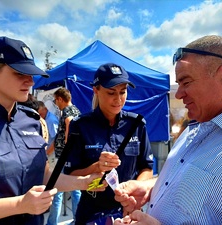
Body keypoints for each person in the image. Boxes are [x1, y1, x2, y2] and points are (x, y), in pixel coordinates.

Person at [113, 35, 222, 225]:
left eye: (186, 82)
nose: (179, 94)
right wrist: (150, 188)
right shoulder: (197, 127)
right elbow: (192, 182)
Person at [0, 36, 105, 225]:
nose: (30, 82)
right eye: (20, 73)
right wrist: (20, 204)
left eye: (31, 74)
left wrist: (84, 183)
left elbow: (43, 176)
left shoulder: (32, 121)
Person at [64, 63, 154, 225]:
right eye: (111, 92)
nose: (118, 99)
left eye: (123, 92)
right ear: (96, 90)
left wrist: (132, 196)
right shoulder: (80, 126)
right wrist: (96, 167)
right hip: (91, 212)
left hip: (129, 212)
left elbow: (146, 167)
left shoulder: (136, 124)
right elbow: (70, 175)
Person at [46, 87, 82, 225]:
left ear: (61, 99)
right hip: (72, 158)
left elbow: (69, 122)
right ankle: (78, 220)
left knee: (58, 190)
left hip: (64, 158)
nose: (56, 103)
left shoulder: (67, 112)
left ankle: (51, 223)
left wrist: (68, 143)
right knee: (75, 190)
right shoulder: (77, 110)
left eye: (56, 100)